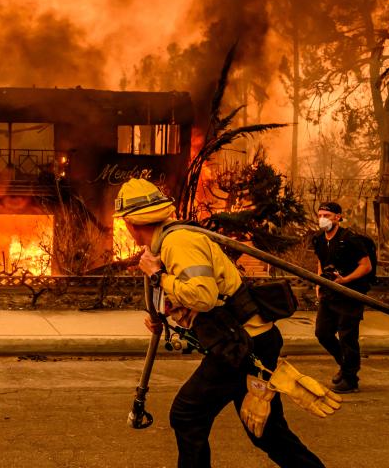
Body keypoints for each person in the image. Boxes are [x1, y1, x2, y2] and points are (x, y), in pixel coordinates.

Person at [114, 178, 325, 468]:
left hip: (243, 345)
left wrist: (156, 276)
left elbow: (203, 295)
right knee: (266, 433)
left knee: (187, 414)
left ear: (130, 223)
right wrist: (162, 316)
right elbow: (190, 293)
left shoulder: (179, 242)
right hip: (248, 341)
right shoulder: (165, 244)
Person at [312, 201, 372, 393]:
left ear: (338, 217)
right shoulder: (319, 239)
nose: (322, 219)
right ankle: (345, 366)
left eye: (327, 216)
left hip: (350, 294)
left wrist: (345, 280)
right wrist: (318, 283)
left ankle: (350, 379)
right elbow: (321, 262)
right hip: (329, 294)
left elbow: (366, 266)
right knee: (323, 333)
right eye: (320, 215)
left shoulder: (351, 239)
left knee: (347, 336)